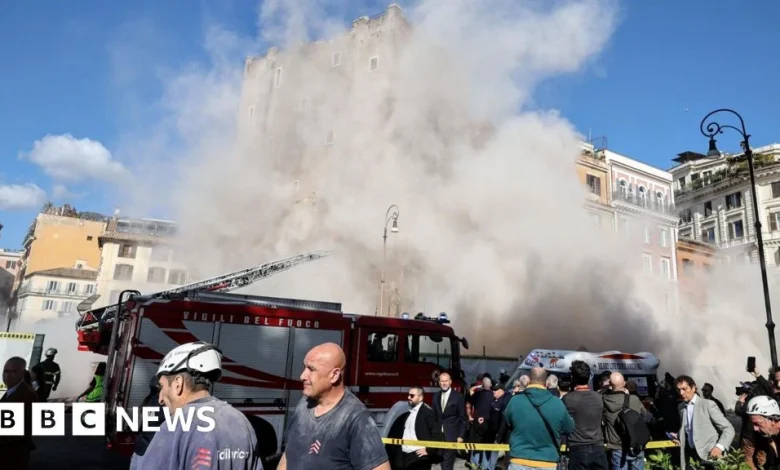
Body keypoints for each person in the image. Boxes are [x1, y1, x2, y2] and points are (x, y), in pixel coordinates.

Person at [130, 341, 262, 470]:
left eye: (162, 387)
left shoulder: (174, 427)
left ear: (178, 384)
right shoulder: (240, 421)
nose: (160, 400)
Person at [278, 342, 389, 470]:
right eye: (304, 368)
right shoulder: (304, 404)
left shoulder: (357, 419)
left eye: (311, 369)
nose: (302, 376)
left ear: (334, 375)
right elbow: (288, 456)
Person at [504, 367, 575, 470]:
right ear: (546, 383)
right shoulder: (557, 403)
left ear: (528, 380)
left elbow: (508, 422)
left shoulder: (515, 401)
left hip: (519, 459)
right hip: (548, 461)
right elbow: (569, 428)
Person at [670, 375, 734, 470]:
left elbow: (728, 428)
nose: (681, 393)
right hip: (690, 456)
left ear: (693, 388)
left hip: (709, 455)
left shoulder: (708, 405)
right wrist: (679, 435)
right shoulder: (681, 407)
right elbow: (688, 428)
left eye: (684, 389)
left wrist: (719, 447)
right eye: (678, 390)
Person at [562, 361, 608, 470]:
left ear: (573, 378)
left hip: (577, 448)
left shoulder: (568, 399)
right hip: (598, 446)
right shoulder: (599, 397)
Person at [385, 386, 441, 470]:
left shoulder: (428, 413)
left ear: (421, 397)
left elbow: (437, 434)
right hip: (405, 456)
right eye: (408, 395)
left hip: (419, 457)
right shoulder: (408, 413)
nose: (408, 397)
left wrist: (429, 450)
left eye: (412, 396)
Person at [603, 372, 648, 470]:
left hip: (616, 446)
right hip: (635, 445)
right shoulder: (634, 399)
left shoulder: (605, 400)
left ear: (610, 385)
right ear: (624, 383)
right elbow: (646, 416)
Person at [0, 357, 38, 470]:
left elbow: (12, 430)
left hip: (13, 451)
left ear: (22, 373)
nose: (8, 376)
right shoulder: (14, 390)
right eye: (6, 371)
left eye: (13, 371)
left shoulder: (25, 394)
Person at [433, 371, 467, 470]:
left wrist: (461, 435)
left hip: (452, 435)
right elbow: (434, 416)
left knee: (447, 464)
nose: (444, 383)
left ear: (450, 382)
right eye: (442, 381)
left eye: (446, 381)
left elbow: (463, 418)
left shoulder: (458, 397)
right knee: (442, 462)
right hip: (439, 435)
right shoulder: (436, 397)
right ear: (439, 382)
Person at [746, 395, 780, 469]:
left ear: (773, 420)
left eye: (757, 424)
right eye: (753, 424)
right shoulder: (756, 434)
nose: (755, 428)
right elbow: (747, 457)